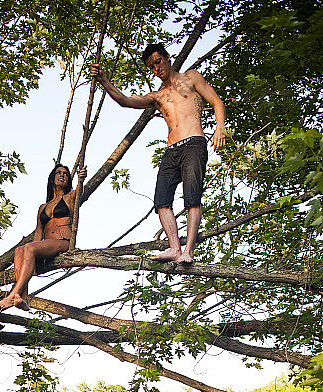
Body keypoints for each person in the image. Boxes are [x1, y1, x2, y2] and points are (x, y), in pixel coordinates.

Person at [90, 43, 225, 263]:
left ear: (167, 57)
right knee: (161, 200)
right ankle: (175, 248)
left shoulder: (191, 77)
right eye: (151, 67)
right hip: (172, 149)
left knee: (192, 197)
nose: (156, 68)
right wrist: (104, 80)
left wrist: (220, 129)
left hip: (193, 143)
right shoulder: (158, 96)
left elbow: (217, 102)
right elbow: (125, 101)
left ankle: (188, 251)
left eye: (158, 62)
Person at [0, 164, 87, 311]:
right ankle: (23, 298)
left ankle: (13, 294)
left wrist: (81, 179)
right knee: (20, 250)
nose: (62, 175)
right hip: (48, 244)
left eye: (65, 174)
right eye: (58, 173)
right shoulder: (43, 207)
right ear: (52, 178)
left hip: (63, 242)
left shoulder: (70, 197)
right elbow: (39, 232)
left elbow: (80, 191)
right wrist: (31, 254)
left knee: (28, 248)